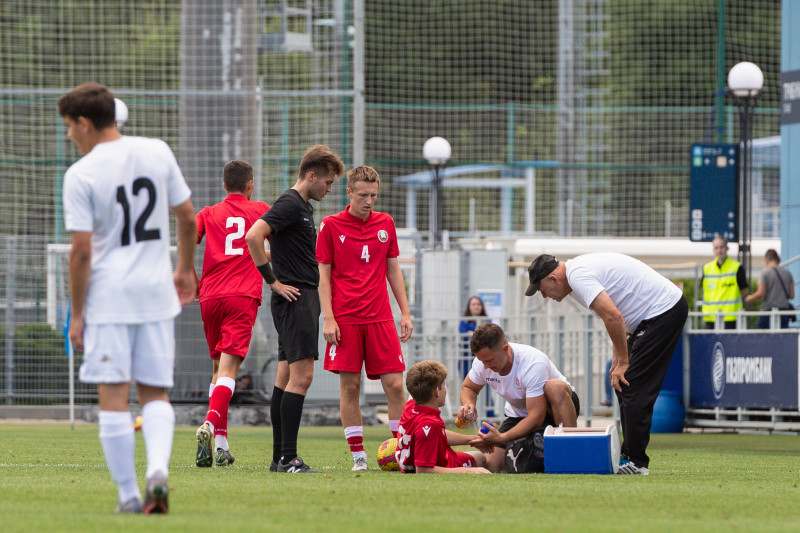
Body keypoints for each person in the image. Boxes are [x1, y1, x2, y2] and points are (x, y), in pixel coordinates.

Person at [59, 82, 196, 513]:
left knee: (113, 397)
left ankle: (128, 496)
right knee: (155, 393)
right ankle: (158, 469)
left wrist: (77, 314)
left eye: (69, 126)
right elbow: (188, 217)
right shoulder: (157, 150)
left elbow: (81, 251)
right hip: (156, 292)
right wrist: (185, 268)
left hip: (110, 298)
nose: (69, 135)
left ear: (84, 122)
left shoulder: (81, 173)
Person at [525, 252, 688, 475]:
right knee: (623, 383)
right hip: (650, 317)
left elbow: (614, 316)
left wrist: (623, 361)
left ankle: (635, 461)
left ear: (553, 279)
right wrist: (617, 358)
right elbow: (611, 315)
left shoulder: (578, 276)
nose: (544, 296)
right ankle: (630, 455)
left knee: (632, 385)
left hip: (663, 311)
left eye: (542, 289)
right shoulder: (575, 278)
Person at [245, 144, 345, 473]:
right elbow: (254, 236)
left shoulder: (303, 207)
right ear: (311, 175)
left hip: (299, 297)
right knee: (302, 377)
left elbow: (280, 247)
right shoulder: (290, 203)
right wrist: (272, 280)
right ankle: (289, 457)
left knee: (285, 377)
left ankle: (279, 458)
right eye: (328, 183)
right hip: (296, 298)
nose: (329, 189)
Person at [316, 165, 413, 472]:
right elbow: (323, 276)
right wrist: (328, 318)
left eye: (373, 195)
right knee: (351, 387)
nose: (369, 201)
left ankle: (401, 452)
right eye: (362, 195)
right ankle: (358, 456)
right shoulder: (330, 225)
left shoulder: (386, 223)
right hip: (345, 319)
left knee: (395, 385)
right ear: (349, 193)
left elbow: (393, 268)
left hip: (380, 317)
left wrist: (405, 311)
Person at [193, 160, 271, 468]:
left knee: (218, 370)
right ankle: (209, 425)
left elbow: (189, 239)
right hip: (242, 295)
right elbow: (264, 248)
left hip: (210, 295)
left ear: (224, 185)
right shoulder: (261, 209)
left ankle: (222, 447)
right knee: (229, 371)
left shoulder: (208, 213)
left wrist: (189, 274)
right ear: (250, 185)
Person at [459, 322, 580, 473]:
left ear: (505, 349)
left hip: (554, 408)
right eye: (482, 361)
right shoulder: (482, 362)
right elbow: (469, 387)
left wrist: (503, 437)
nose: (485, 367)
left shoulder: (532, 362)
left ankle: (572, 453)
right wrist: (468, 404)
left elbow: (536, 417)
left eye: (489, 361)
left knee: (554, 387)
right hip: (519, 413)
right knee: (493, 467)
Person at [396, 360, 491, 474]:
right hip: (443, 464)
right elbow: (423, 470)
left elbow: (437, 434)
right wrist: (468, 471)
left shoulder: (410, 406)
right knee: (481, 458)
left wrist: (472, 439)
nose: (445, 389)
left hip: (413, 461)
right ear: (437, 391)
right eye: (444, 385)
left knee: (478, 455)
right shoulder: (429, 424)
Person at [701, 236, 748, 329]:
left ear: (727, 248)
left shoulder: (737, 267)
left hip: (731, 316)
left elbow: (744, 291)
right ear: (713, 250)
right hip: (710, 317)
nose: (719, 250)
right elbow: (704, 290)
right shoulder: (707, 268)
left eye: (722, 247)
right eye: (716, 248)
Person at [745, 249, 795, 329]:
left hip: (767, 312)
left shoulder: (765, 273)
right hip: (784, 312)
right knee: (782, 338)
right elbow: (792, 295)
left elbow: (761, 293)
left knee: (760, 338)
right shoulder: (787, 273)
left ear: (766, 260)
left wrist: (750, 298)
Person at [458, 296, 489, 381]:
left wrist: (472, 333)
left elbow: (488, 335)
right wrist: (479, 333)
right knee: (468, 382)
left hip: (484, 358)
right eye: (473, 304)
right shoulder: (464, 321)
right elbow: (464, 335)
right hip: (467, 357)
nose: (476, 306)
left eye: (478, 304)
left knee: (485, 384)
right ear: (469, 306)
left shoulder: (487, 321)